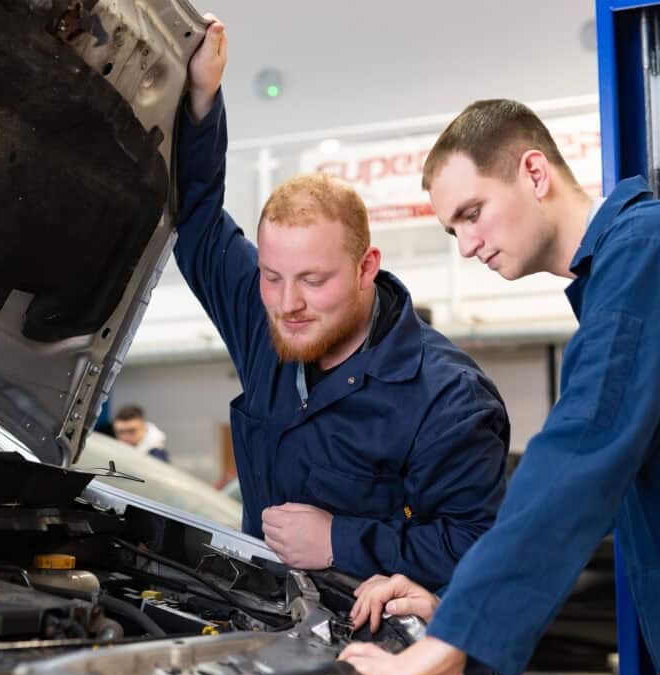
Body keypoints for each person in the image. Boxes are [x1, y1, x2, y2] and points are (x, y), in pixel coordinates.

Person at [340, 99, 660, 675]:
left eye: (473, 213)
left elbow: (579, 456)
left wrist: (450, 637)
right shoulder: (625, 271)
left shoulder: (654, 252)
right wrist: (455, 601)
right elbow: (581, 494)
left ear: (534, 172)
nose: (467, 245)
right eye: (454, 229)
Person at [176, 19, 509, 595]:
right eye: (272, 276)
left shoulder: (449, 398)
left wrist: (341, 540)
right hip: (270, 624)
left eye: (313, 280)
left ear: (366, 267)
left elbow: (480, 549)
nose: (288, 303)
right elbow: (199, 223)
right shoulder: (267, 322)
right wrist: (202, 97)